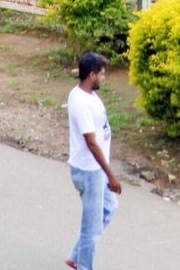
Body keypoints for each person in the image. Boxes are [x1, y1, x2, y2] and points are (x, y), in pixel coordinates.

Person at [66, 51, 122, 270]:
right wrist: (111, 175)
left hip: (96, 171)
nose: (104, 77)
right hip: (90, 173)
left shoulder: (85, 95)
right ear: (91, 75)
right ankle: (83, 266)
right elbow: (91, 142)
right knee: (92, 228)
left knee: (110, 207)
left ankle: (76, 255)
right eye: (102, 73)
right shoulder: (81, 102)